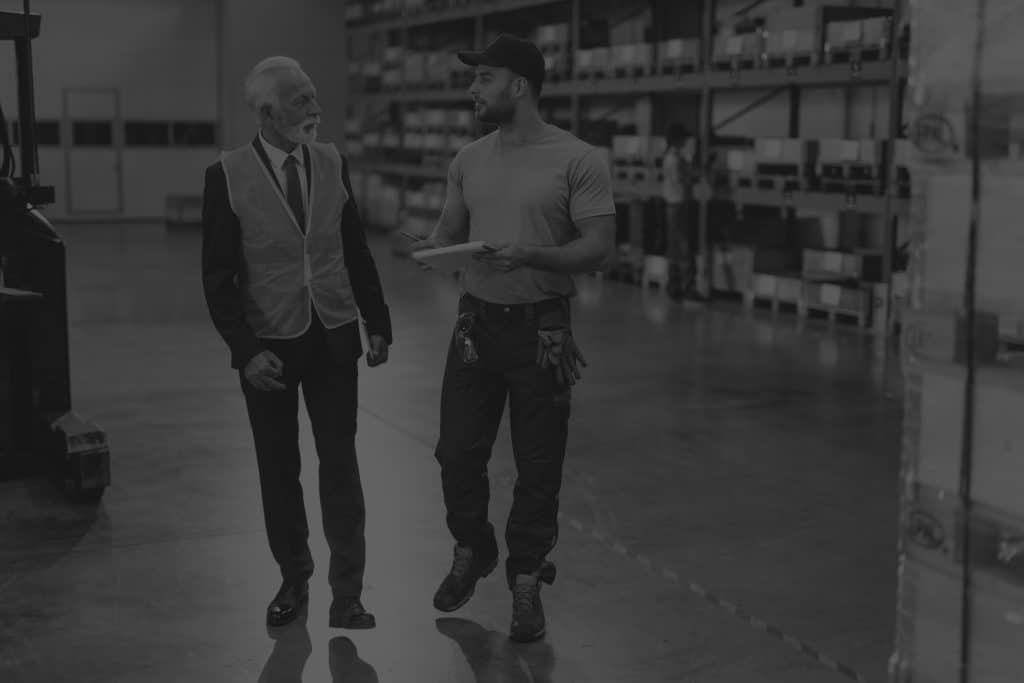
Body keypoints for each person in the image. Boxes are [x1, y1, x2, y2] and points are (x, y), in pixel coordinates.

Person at [410, 34, 616, 643]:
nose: (473, 89)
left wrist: (533, 254)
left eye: (484, 78)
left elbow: (599, 248)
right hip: (476, 325)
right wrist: (432, 248)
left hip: (541, 331)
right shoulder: (469, 158)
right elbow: (449, 230)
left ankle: (526, 579)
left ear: (519, 86)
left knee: (538, 465)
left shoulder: (578, 159)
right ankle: (475, 548)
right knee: (456, 453)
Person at [201, 56, 392, 630]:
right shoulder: (227, 174)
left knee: (340, 465)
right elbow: (216, 276)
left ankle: (349, 592)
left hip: (333, 337)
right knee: (278, 468)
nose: (315, 108)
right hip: (269, 350)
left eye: (313, 96)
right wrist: (243, 349)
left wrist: (376, 321)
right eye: (301, 100)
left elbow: (354, 247)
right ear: (266, 112)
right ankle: (293, 575)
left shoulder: (332, 161)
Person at [661, 123, 701, 300]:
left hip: (673, 205)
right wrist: (695, 175)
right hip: (678, 205)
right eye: (683, 138)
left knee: (675, 246)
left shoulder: (672, 157)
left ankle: (674, 285)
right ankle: (687, 287)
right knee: (684, 245)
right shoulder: (674, 159)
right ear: (677, 139)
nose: (685, 140)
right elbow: (681, 180)